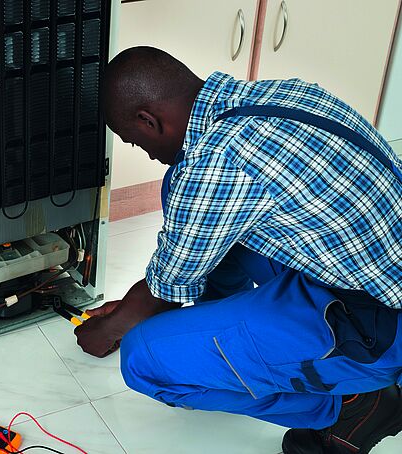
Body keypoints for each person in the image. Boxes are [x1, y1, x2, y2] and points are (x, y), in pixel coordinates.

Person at [74, 46, 402, 453]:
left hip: (377, 325)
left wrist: (108, 330)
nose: (148, 154)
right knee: (179, 185)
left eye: (136, 143)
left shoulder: (217, 160)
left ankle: (351, 405)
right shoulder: (283, 93)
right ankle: (225, 328)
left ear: (148, 120)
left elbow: (163, 291)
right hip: (367, 275)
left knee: (143, 358)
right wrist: (132, 307)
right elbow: (174, 269)